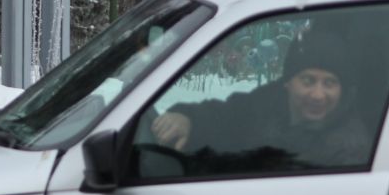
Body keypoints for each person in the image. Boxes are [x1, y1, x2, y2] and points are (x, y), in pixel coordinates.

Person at [149, 31, 371, 172]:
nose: (318, 94)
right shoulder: (267, 104)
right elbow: (227, 115)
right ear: (288, 83)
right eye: (308, 80)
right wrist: (189, 119)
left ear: (342, 90)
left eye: (330, 83)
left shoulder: (347, 149)